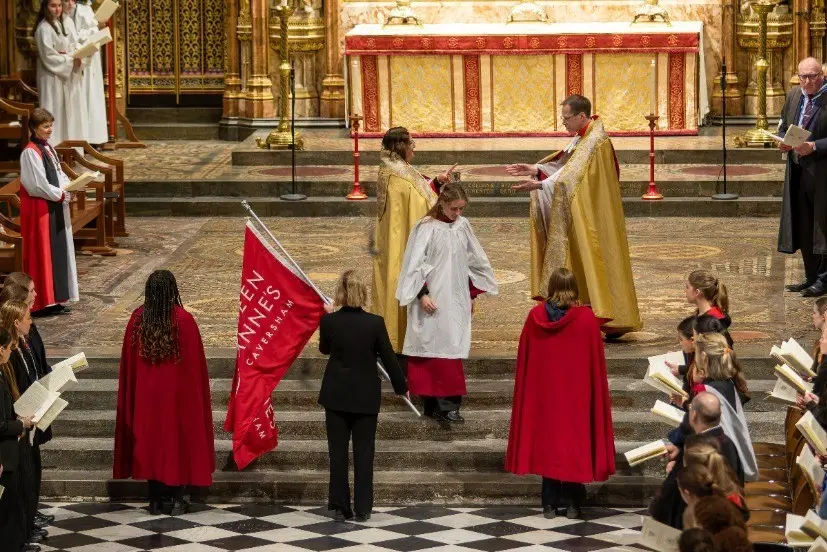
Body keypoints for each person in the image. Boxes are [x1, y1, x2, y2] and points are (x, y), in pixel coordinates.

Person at [506, 94, 641, 336]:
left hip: (592, 215)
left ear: (581, 116)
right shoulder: (585, 137)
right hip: (580, 210)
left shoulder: (595, 142)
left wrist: (539, 185)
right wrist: (537, 169)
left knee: (593, 256)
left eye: (567, 118)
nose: (564, 123)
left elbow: (573, 179)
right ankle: (586, 311)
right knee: (581, 258)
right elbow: (566, 169)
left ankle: (602, 313)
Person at [505, 268, 615, 520]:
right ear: (575, 288)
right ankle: (574, 505)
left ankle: (549, 505)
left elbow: (526, 362)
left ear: (550, 288)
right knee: (574, 448)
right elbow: (595, 366)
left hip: (544, 399)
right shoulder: (586, 319)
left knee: (548, 446)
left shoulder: (535, 317)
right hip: (576, 399)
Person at [113, 270, 214, 515]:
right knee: (178, 443)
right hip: (178, 399)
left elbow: (128, 367)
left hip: (146, 400)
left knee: (149, 445)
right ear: (172, 291)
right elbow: (195, 368)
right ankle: (178, 500)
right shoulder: (184, 320)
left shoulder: (137, 319)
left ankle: (155, 501)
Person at [395, 183, 498, 422]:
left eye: (462, 209)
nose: (458, 213)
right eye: (454, 208)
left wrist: (471, 294)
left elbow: (475, 261)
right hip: (430, 299)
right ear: (442, 203)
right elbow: (412, 265)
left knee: (451, 348)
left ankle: (450, 404)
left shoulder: (463, 226)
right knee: (429, 348)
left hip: (456, 299)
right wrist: (422, 294)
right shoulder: (425, 228)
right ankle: (432, 403)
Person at [318, 271, 408, 522]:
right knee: (364, 452)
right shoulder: (375, 323)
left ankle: (339, 506)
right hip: (365, 396)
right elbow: (389, 357)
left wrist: (329, 315)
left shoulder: (329, 322)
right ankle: (364, 508)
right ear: (363, 293)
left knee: (337, 453)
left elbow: (325, 349)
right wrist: (401, 386)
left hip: (335, 395)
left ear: (340, 293)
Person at [372, 127, 455, 352]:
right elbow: (419, 206)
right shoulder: (399, 177)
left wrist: (437, 182)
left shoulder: (393, 168)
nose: (414, 150)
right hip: (402, 243)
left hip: (392, 242)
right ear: (401, 146)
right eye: (411, 144)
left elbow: (418, 191)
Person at [0, 279, 54, 531]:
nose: (32, 323)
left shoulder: (25, 340)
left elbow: (36, 365)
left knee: (31, 472)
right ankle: (23, 529)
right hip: (16, 423)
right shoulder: (9, 351)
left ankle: (29, 522)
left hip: (28, 417)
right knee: (20, 481)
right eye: (28, 319)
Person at [651, 393, 744, 528]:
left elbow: (669, 495)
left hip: (698, 523)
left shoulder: (697, 448)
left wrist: (676, 471)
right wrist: (679, 453)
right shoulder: (728, 443)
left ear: (693, 415)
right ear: (720, 414)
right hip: (727, 518)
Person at [19, 108, 79, 315]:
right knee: (42, 252)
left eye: (51, 125)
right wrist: (61, 194)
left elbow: (59, 173)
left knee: (57, 252)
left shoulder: (48, 148)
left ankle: (56, 298)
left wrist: (70, 187)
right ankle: (42, 302)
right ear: (34, 128)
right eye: (45, 126)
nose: (50, 130)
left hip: (52, 205)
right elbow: (36, 184)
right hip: (39, 210)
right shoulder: (30, 152)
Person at [777, 57, 827, 297]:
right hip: (798, 170)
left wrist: (815, 146)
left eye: (813, 76)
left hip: (823, 173)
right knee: (804, 224)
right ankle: (811, 276)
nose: (807, 81)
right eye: (803, 76)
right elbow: (782, 126)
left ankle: (825, 278)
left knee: (823, 226)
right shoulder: (794, 95)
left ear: (822, 75)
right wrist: (783, 142)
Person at [0, 301, 43, 546]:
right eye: (28, 317)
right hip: (8, 446)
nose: (31, 321)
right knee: (8, 508)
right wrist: (20, 424)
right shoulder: (5, 368)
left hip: (15, 438)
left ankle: (24, 532)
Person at [34, 0, 87, 146]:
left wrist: (77, 55)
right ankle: (53, 148)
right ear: (45, 7)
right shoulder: (43, 28)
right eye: (53, 6)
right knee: (54, 110)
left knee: (68, 114)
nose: (57, 9)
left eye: (59, 5)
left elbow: (71, 45)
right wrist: (70, 61)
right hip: (51, 76)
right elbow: (48, 56)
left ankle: (69, 149)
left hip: (65, 75)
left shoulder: (62, 23)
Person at [63, 0, 108, 147]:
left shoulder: (84, 9)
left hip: (88, 59)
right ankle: (83, 138)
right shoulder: (67, 14)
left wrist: (97, 28)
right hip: (75, 58)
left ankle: (94, 137)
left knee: (91, 96)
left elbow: (92, 30)